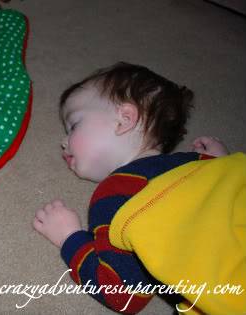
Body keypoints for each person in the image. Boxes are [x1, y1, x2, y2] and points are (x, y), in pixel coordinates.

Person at [33, 62, 245, 314]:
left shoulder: (118, 194)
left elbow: (121, 294)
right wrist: (219, 166)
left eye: (74, 125)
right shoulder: (191, 165)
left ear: (124, 119)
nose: (63, 142)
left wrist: (70, 237)